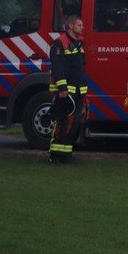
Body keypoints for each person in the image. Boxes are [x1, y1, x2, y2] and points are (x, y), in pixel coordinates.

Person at [48, 14, 86, 163]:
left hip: (77, 91)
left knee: (74, 124)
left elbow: (81, 68)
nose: (82, 28)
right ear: (71, 26)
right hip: (65, 92)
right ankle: (55, 155)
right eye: (80, 25)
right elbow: (58, 67)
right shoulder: (59, 44)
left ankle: (66, 154)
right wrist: (62, 87)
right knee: (62, 123)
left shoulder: (79, 44)